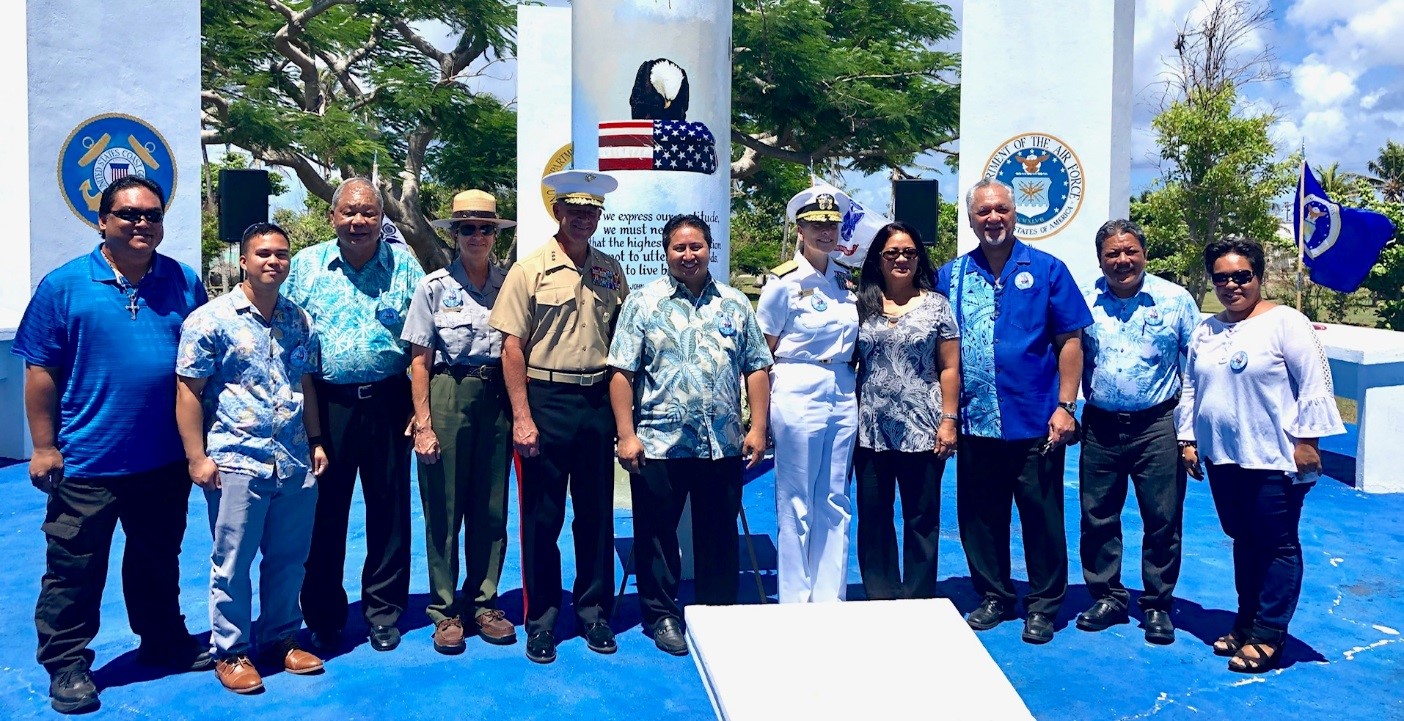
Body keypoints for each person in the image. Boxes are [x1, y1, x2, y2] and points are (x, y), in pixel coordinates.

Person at [13, 176, 212, 714]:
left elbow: (200, 367)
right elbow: (40, 372)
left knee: (156, 560)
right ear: (103, 221)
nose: (141, 223)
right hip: (86, 463)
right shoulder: (66, 285)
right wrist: (43, 446)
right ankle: (68, 664)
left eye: (151, 214)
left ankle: (162, 641)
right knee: (75, 568)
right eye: (128, 214)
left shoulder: (182, 281)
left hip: (162, 460)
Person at [607, 214, 772, 655]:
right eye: (679, 248)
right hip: (659, 442)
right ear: (666, 252)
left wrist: (758, 427)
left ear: (710, 248)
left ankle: (718, 611)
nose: (688, 255)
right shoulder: (642, 304)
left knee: (718, 532)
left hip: (721, 443)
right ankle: (661, 616)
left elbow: (756, 367)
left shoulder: (735, 303)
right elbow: (621, 372)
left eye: (696, 246)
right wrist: (626, 434)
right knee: (657, 535)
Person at [936, 178, 1091, 644]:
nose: (992, 219)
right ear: (971, 219)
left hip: (1037, 421)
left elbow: (1069, 341)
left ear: (1014, 213)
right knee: (980, 516)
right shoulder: (951, 276)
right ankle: (995, 595)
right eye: (983, 212)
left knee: (1041, 518)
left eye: (1000, 209)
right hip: (975, 420)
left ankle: (1043, 605)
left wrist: (1066, 405)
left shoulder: (1047, 270)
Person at [174, 223, 329, 693]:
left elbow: (305, 383)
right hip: (236, 458)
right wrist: (196, 457)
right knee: (233, 561)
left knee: (289, 558)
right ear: (244, 260)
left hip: (294, 458)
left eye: (281, 255)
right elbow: (188, 390)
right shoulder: (209, 320)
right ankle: (232, 650)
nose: (273, 262)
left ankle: (281, 637)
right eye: (263, 254)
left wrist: (317, 439)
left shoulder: (298, 319)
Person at [1178, 238, 1344, 673]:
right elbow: (1192, 387)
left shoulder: (1287, 322)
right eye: (1221, 277)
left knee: (1277, 545)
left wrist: (1308, 442)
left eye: (1242, 276)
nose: (1232, 285)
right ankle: (1247, 622)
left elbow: (1314, 384)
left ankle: (1269, 635)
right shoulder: (1206, 329)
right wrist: (1188, 439)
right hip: (1223, 458)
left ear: (1258, 277)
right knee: (1244, 542)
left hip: (1273, 458)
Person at [488, 170, 629, 664]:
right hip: (545, 400)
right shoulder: (529, 271)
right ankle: (542, 620)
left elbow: (621, 345)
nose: (583, 217)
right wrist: (522, 418)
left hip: (595, 403)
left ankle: (593, 613)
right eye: (573, 209)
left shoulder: (611, 271)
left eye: (591, 210)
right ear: (557, 212)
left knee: (595, 516)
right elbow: (511, 348)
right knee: (541, 519)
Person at [284, 177, 425, 654]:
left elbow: (421, 343)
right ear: (333, 216)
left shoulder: (404, 264)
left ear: (381, 218)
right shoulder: (305, 267)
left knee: (389, 511)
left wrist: (417, 408)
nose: (358, 221)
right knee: (325, 513)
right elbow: (288, 342)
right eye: (349, 212)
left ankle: (384, 612)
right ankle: (323, 613)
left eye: (368, 212)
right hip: (328, 404)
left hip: (388, 402)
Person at [402, 190, 517, 654]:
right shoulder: (433, 287)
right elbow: (419, 361)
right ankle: (446, 610)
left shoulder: (509, 284)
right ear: (454, 234)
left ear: (495, 234)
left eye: (486, 228)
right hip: (448, 392)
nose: (477, 236)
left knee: (491, 506)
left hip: (497, 398)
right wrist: (424, 424)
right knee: (444, 505)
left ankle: (484, 600)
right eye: (467, 228)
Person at [1075, 219, 1199, 645]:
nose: (1122, 260)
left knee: (1162, 519)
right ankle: (1107, 596)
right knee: (1097, 517)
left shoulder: (1175, 300)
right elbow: (1069, 357)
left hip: (1157, 426)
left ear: (1144, 254)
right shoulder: (1083, 300)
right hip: (1100, 427)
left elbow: (1196, 368)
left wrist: (1189, 433)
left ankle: (1158, 605)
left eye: (1130, 251)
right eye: (1112, 253)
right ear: (1100, 259)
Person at [756, 186, 860, 604]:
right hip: (797, 386)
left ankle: (829, 597)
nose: (825, 231)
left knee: (836, 497)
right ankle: (795, 599)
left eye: (831, 225)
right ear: (800, 229)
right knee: (796, 498)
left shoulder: (844, 279)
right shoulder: (782, 282)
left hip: (842, 388)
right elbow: (764, 350)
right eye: (816, 224)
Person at [853, 222, 960, 601]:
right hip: (870, 431)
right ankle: (880, 593)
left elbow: (949, 367)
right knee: (874, 517)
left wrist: (949, 420)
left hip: (923, 428)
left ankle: (917, 597)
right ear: (878, 260)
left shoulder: (937, 305)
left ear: (919, 258)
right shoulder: (860, 304)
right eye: (892, 253)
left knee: (921, 518)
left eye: (909, 253)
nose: (901, 259)